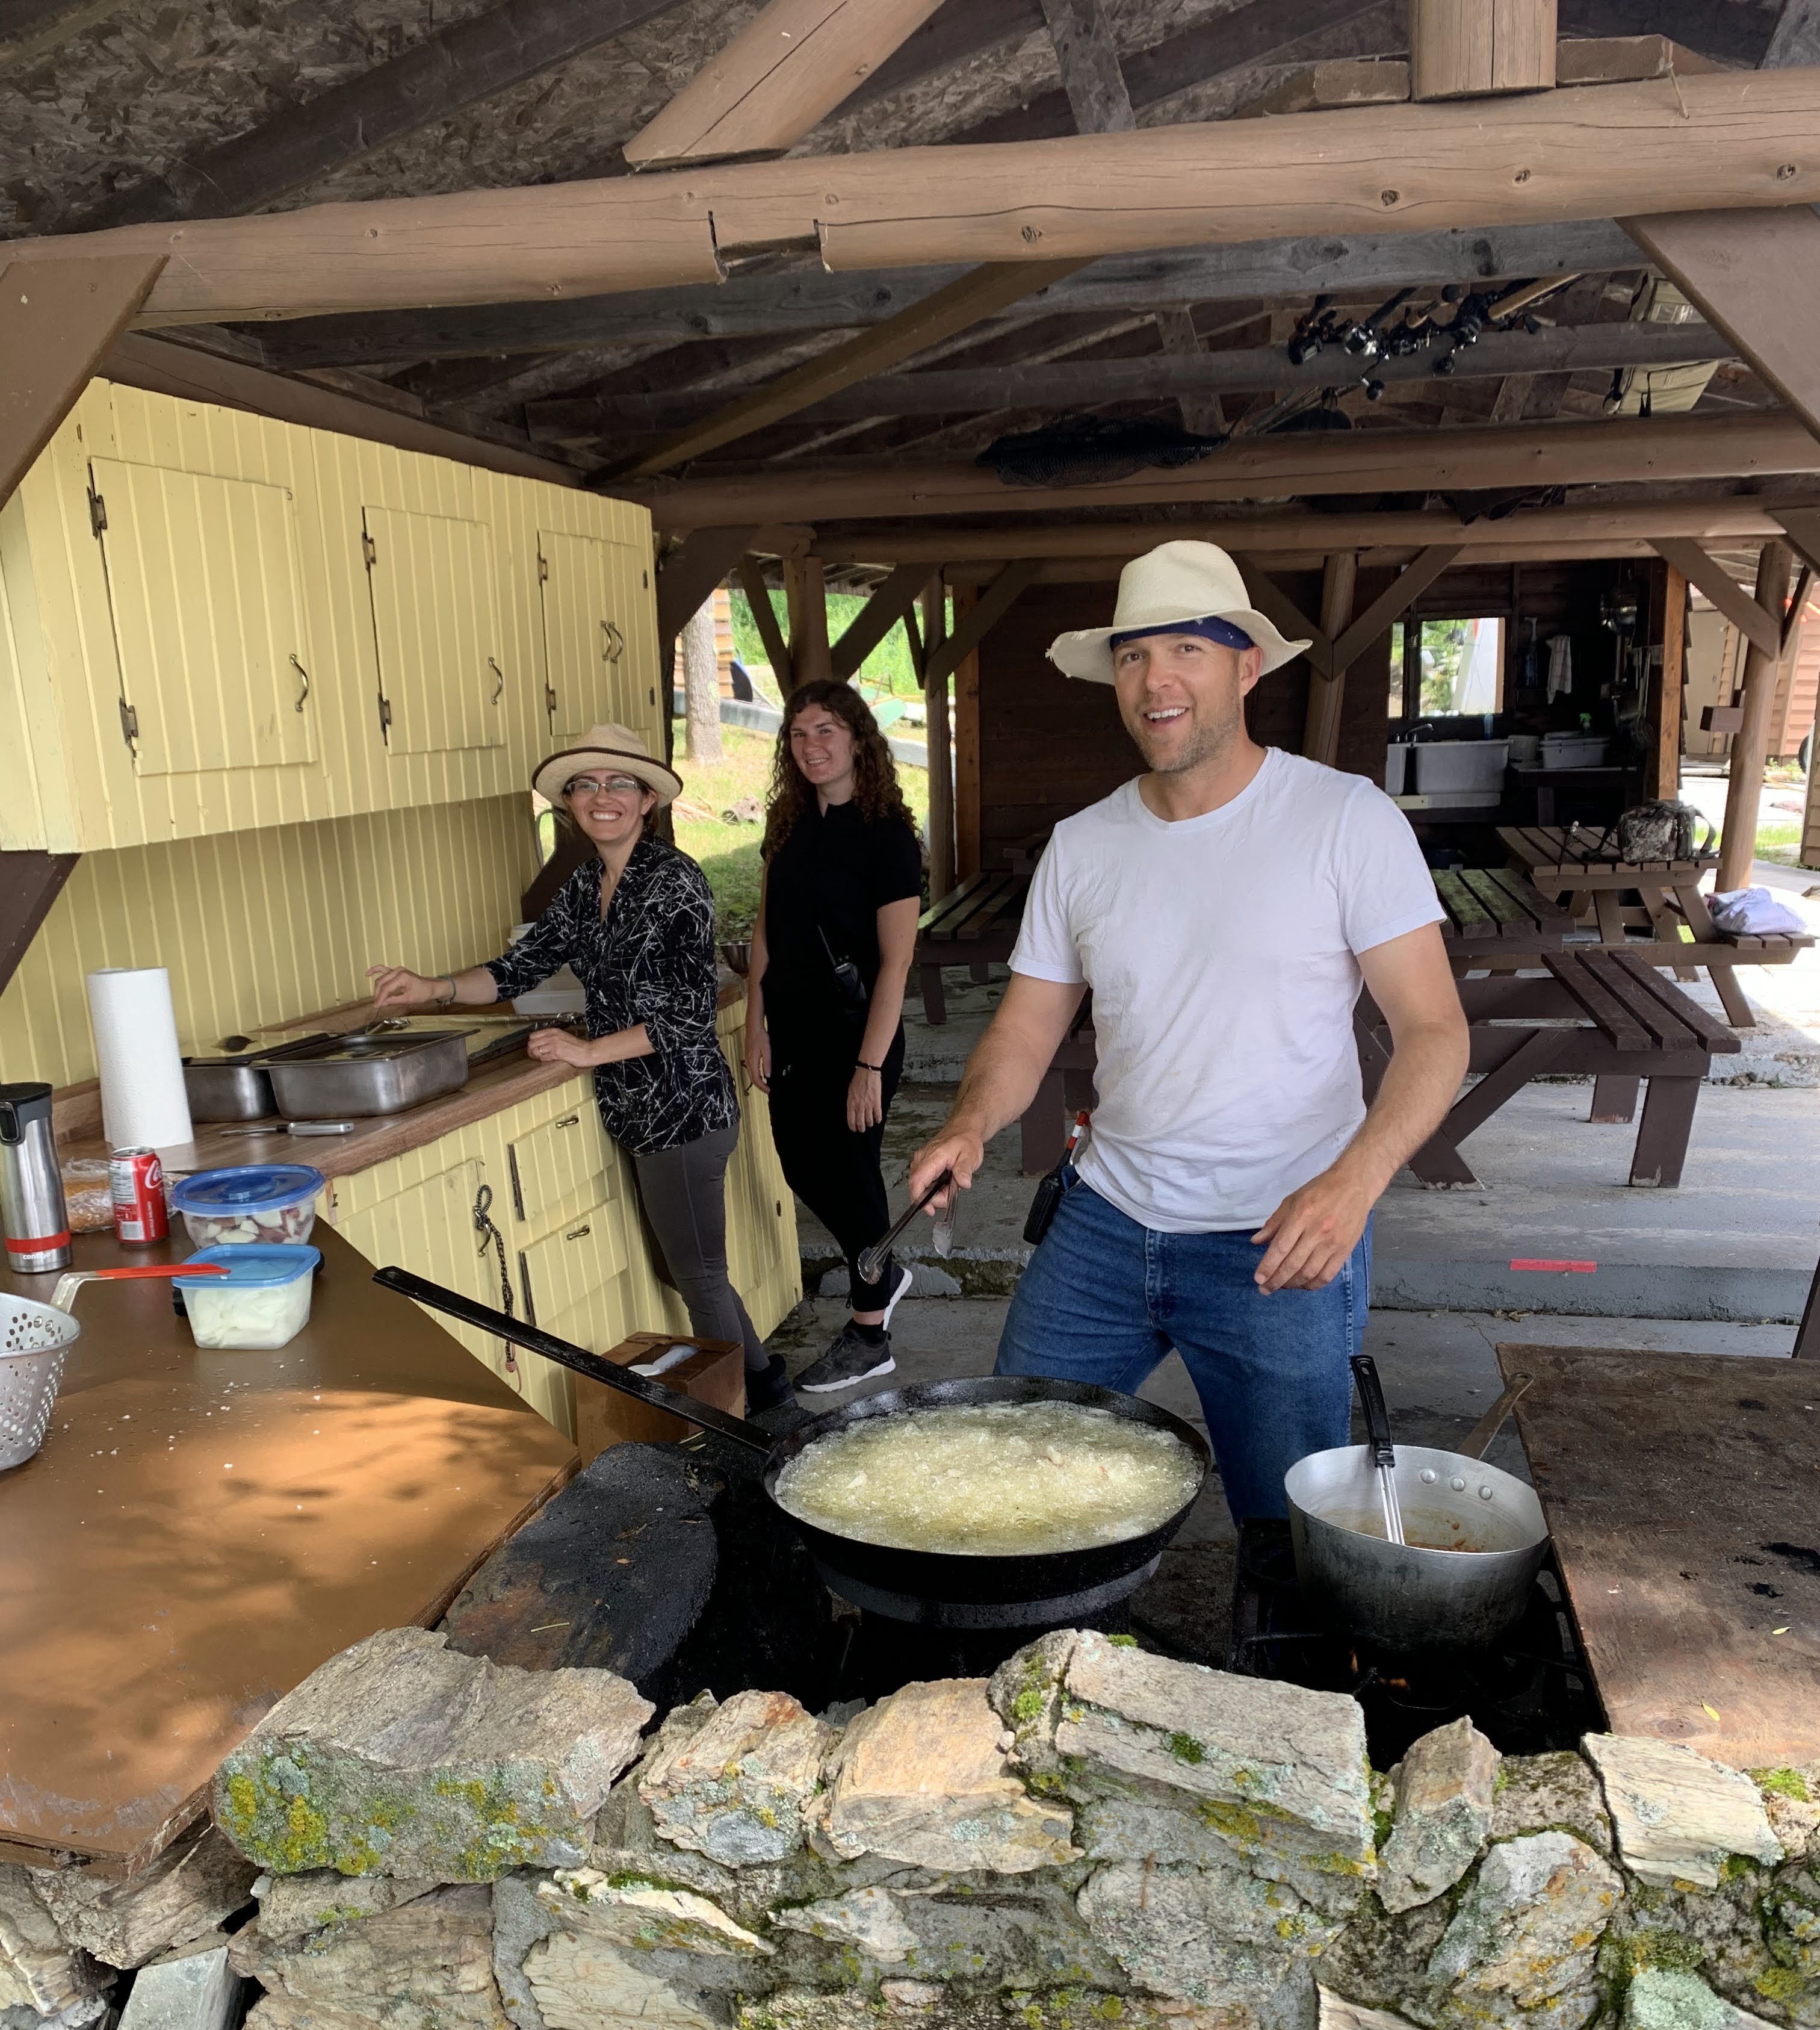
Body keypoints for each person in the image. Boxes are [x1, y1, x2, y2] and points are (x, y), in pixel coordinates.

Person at [907, 541, 1470, 1522]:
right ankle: (1043, 1664)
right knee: (1012, 1470)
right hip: (1106, 1216)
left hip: (1278, 1229)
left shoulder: (1341, 819)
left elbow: (1433, 1031)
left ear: (1245, 666)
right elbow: (1026, 1025)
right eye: (1132, 656)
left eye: (1185, 650)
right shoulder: (1083, 846)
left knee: (1288, 1526)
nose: (1154, 680)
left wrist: (1353, 1183)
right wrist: (968, 1125)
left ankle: (1268, 1677)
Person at [369, 719, 791, 1413]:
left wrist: (587, 1049)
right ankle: (768, 1390)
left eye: (619, 783)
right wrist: (433, 989)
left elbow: (686, 1014)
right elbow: (519, 969)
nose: (602, 796)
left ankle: (747, 1423)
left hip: (682, 1111)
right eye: (585, 785)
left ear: (647, 800)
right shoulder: (586, 883)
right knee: (692, 1271)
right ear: (570, 803)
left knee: (700, 1278)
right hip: (644, 1111)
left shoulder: (674, 882)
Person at [743, 681, 923, 1392]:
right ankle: (884, 1263)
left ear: (856, 739)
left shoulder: (888, 839)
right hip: (790, 1033)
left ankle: (869, 1327)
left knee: (850, 1176)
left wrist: (869, 1066)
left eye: (826, 732)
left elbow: (897, 961)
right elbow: (763, 932)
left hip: (856, 1037)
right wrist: (755, 1024)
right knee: (800, 1166)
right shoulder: (787, 826)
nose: (812, 747)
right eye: (799, 735)